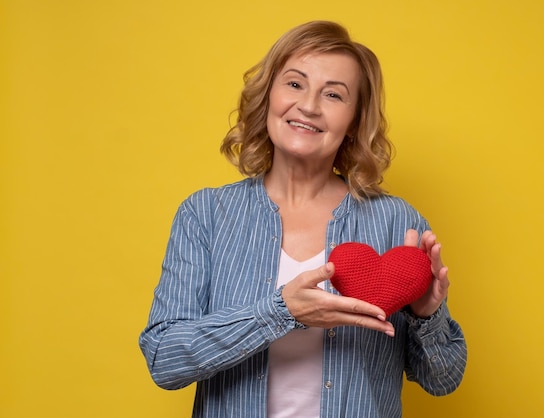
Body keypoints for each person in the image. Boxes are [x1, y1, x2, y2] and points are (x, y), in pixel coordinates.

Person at [139, 20, 467, 418]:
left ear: (353, 121)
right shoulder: (206, 215)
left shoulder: (398, 223)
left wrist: (425, 314)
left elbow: (443, 379)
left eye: (333, 94)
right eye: (295, 84)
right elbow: (163, 359)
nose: (309, 105)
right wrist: (281, 313)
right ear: (269, 96)